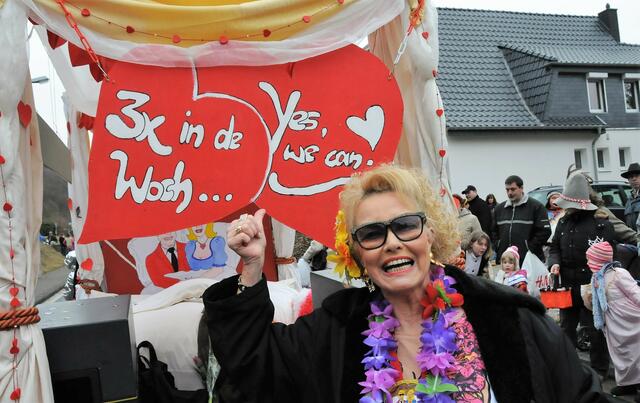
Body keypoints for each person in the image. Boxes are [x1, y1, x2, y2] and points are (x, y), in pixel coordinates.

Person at [203, 165, 612, 403]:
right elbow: (253, 370)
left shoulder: (507, 318)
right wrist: (252, 266)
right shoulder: (336, 330)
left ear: (430, 234)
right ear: (358, 254)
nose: (392, 242)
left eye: (405, 225)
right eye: (372, 233)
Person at [548, 172, 627, 378]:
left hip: (592, 285)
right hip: (567, 284)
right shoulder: (563, 223)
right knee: (566, 328)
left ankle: (599, 370)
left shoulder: (601, 223)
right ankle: (567, 368)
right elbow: (554, 248)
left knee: (595, 329)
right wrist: (554, 263)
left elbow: (611, 256)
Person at [586, 241, 640, 399]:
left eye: (590, 259)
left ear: (598, 260)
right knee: (620, 351)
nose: (587, 263)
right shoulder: (596, 277)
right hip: (613, 320)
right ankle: (627, 383)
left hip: (630, 318)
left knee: (636, 350)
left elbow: (635, 292)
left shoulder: (619, 273)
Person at [491, 175, 550, 265]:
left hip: (529, 260)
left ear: (521, 188)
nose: (510, 193)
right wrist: (498, 245)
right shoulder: (499, 209)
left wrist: (529, 248)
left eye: (513, 189)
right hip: (506, 261)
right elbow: (493, 231)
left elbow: (544, 231)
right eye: (507, 190)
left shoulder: (536, 207)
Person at [621, 162, 640, 232]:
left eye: (637, 176)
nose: (634, 179)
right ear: (628, 180)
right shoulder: (630, 199)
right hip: (634, 236)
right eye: (631, 177)